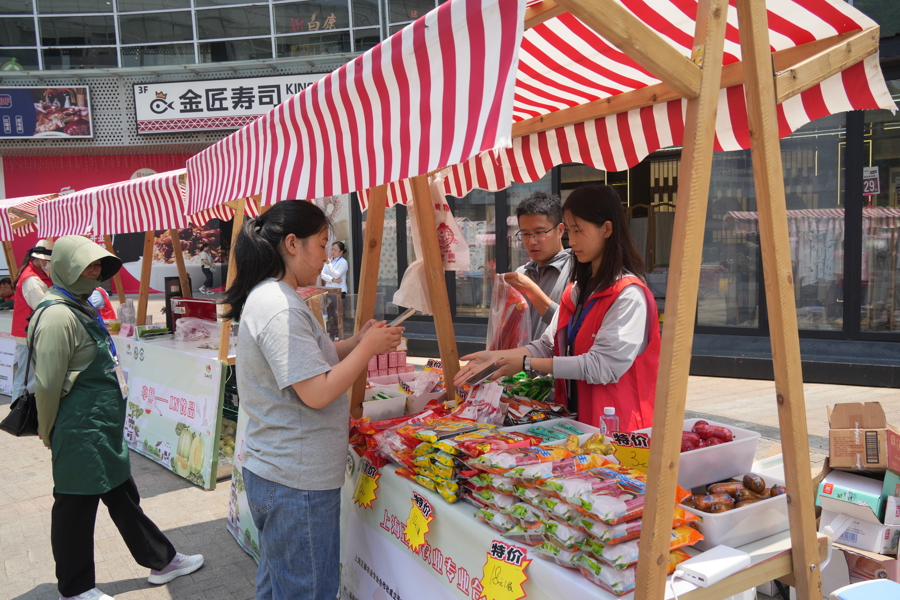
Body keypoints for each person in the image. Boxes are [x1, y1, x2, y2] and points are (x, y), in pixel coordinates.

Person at [223, 201, 402, 600]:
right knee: (307, 591)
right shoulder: (279, 306)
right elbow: (317, 392)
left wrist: (358, 342)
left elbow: (310, 362)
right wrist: (367, 348)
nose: (326, 257)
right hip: (295, 480)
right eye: (321, 244)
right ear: (292, 244)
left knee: (279, 585)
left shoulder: (276, 298)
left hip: (282, 471)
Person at [29, 236, 204, 600]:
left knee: (122, 494)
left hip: (101, 426)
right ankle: (75, 589)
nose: (95, 272)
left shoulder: (78, 305)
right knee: (75, 506)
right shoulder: (58, 315)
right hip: (79, 429)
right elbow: (46, 385)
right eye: (86, 266)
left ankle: (162, 560)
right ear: (64, 268)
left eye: (97, 266)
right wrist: (47, 431)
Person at [455, 185, 660, 432]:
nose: (571, 241)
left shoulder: (628, 295)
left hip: (618, 427)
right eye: (570, 231)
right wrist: (497, 357)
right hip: (577, 424)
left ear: (607, 229)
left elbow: (602, 366)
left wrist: (526, 363)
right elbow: (548, 344)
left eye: (578, 230)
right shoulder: (577, 290)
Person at [505, 191, 574, 341]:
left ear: (560, 230)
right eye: (525, 234)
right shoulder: (521, 273)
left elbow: (574, 328)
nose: (531, 241)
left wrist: (531, 290)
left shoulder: (576, 270)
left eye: (540, 232)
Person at [12, 239, 54, 399]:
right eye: (48, 261)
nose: (49, 264)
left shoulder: (36, 274)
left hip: (32, 333)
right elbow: (44, 306)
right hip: (29, 334)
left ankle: (23, 412)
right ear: (41, 259)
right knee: (26, 380)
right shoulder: (31, 279)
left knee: (28, 378)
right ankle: (18, 413)